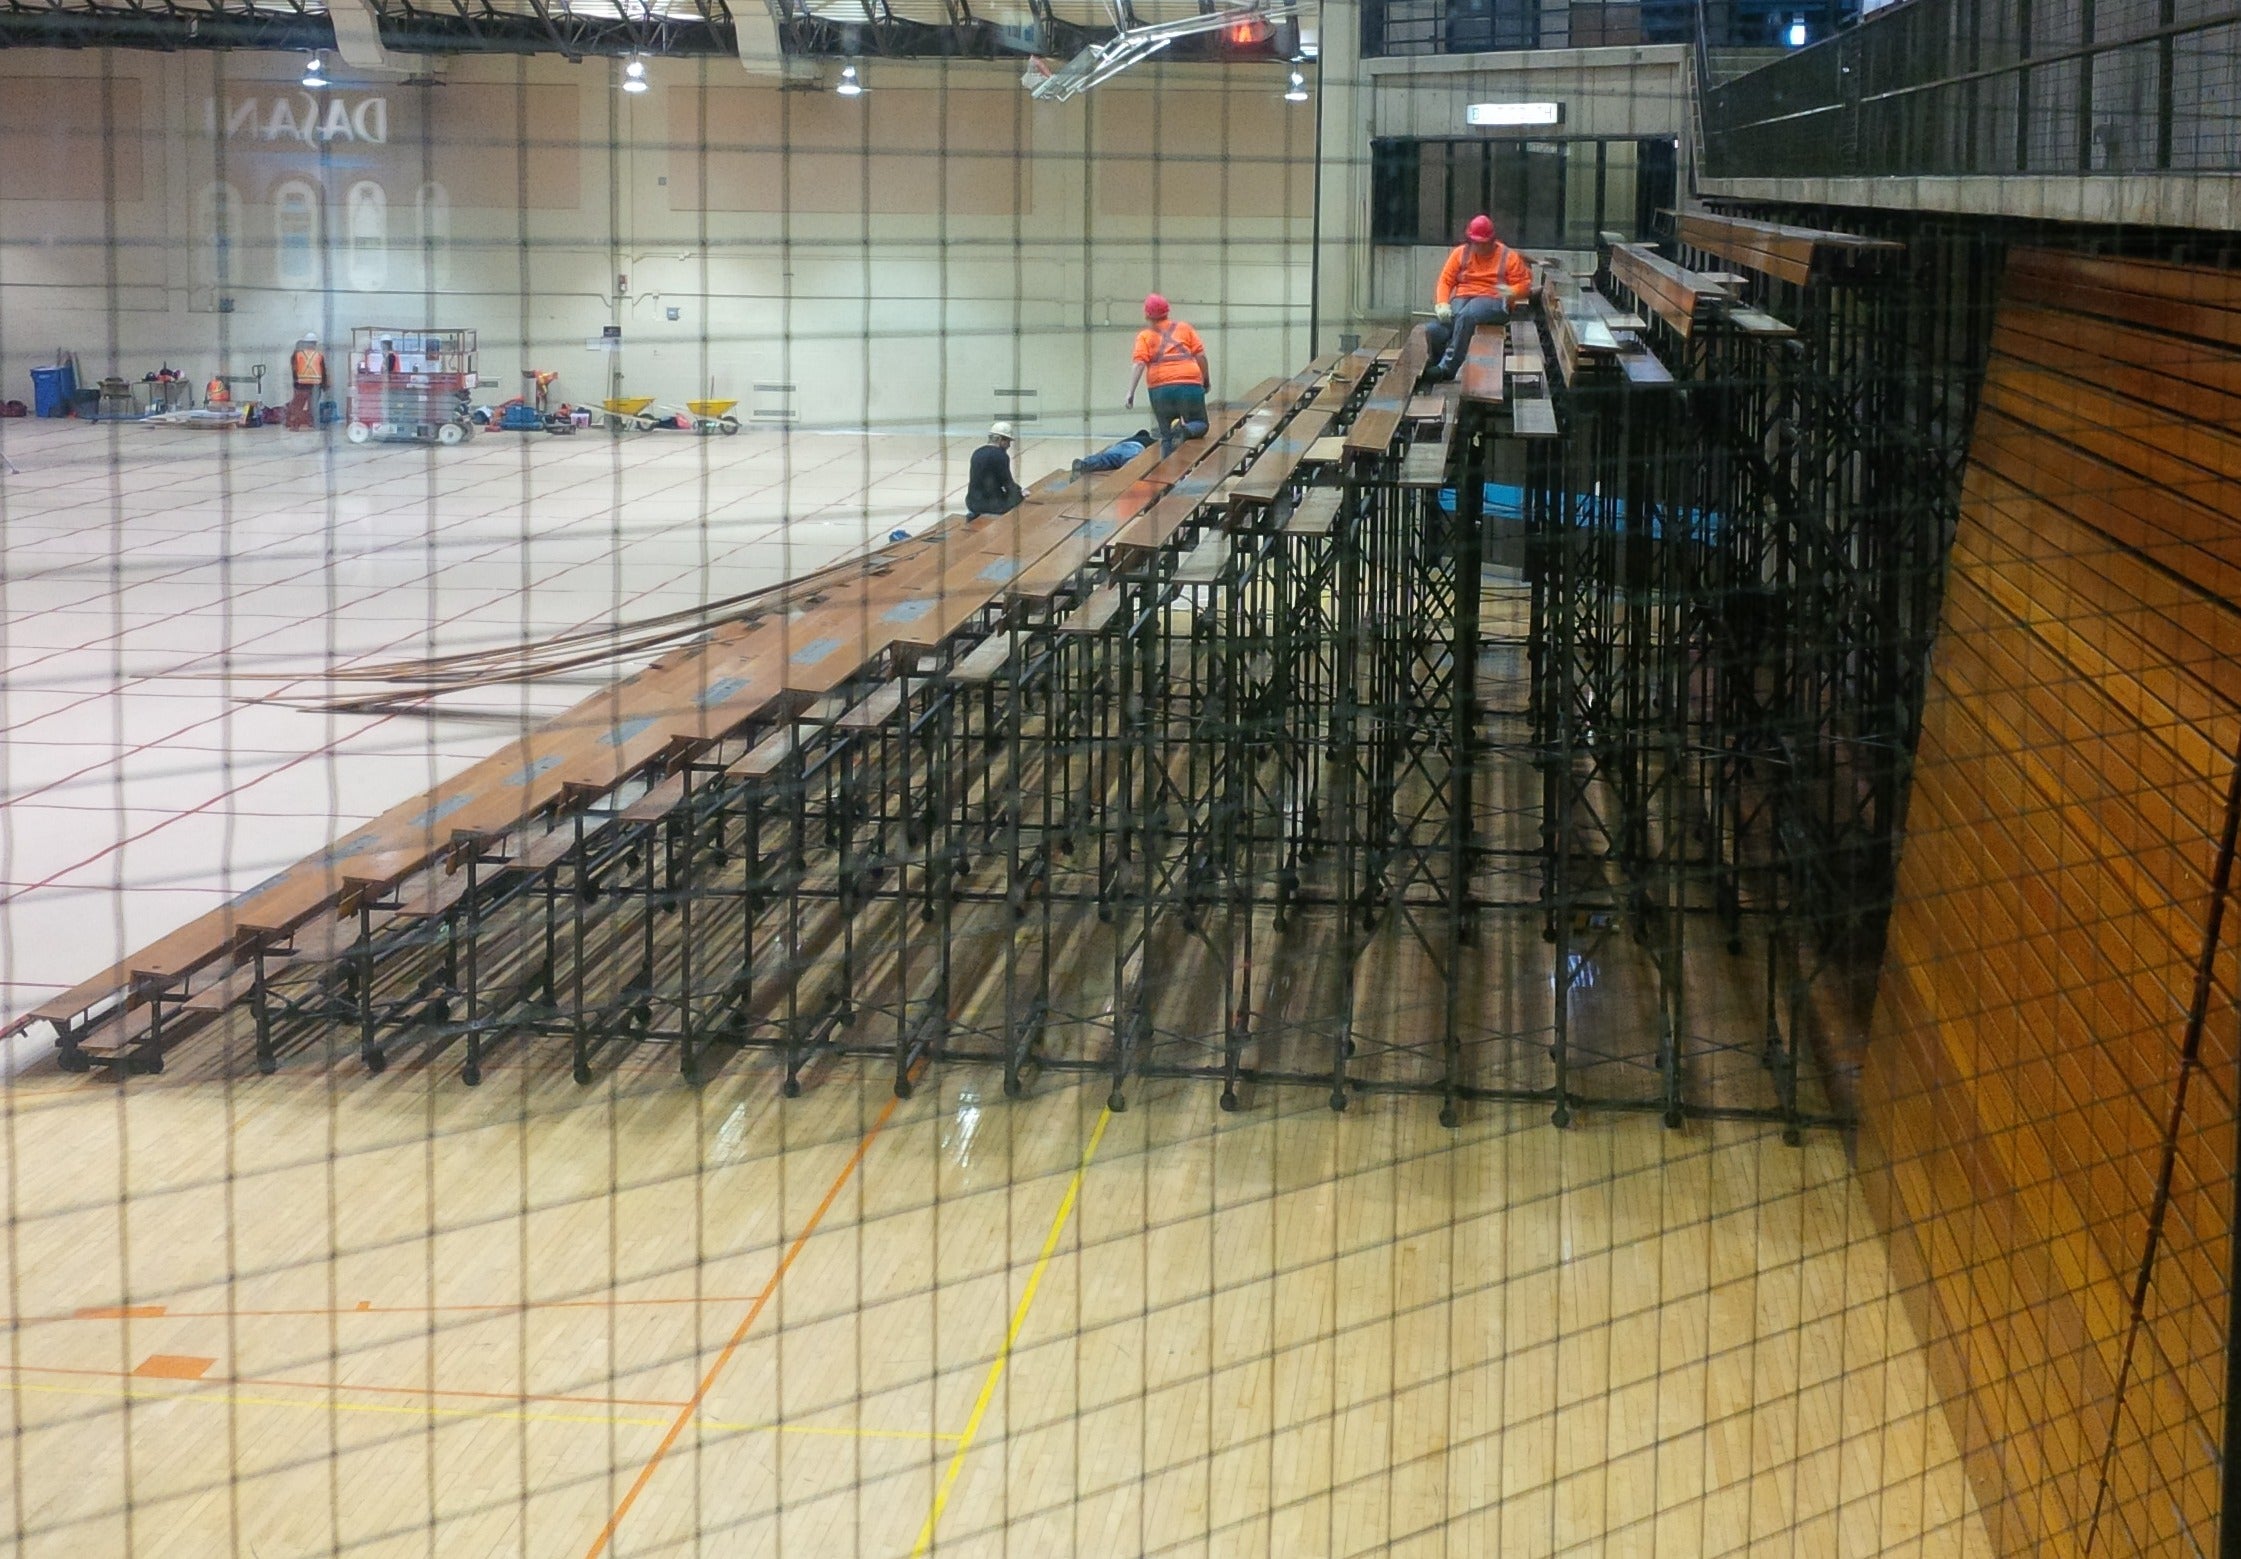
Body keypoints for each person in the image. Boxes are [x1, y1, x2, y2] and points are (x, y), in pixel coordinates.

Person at [1423, 215, 1533, 383]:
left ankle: (1446, 368)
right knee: (1434, 330)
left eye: (1483, 243)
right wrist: (1442, 303)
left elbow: (1525, 284)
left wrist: (1512, 291)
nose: (1479, 246)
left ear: (1492, 240)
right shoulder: (1460, 253)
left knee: (1468, 315)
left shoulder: (1508, 256)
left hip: (1495, 301)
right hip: (1462, 299)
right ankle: (1434, 365)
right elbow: (1445, 280)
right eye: (1475, 242)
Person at [1126, 295, 1210, 456]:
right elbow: (1201, 356)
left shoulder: (1144, 336)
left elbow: (1139, 364)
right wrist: (1205, 381)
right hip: (1189, 384)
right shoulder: (1185, 328)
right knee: (1200, 424)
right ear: (1167, 311)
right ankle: (1185, 431)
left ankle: (1166, 477)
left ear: (1147, 315)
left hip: (1160, 389)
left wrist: (1131, 392)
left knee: (1166, 436)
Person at [966, 420, 1026, 519]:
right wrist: (1020, 493)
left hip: (971, 502)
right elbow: (1007, 483)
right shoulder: (1001, 455)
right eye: (1008, 441)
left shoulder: (977, 452)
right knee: (1018, 499)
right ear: (1000, 439)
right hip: (992, 506)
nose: (1009, 445)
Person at [1072, 429, 1157, 476]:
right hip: (1135, 448)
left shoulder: (1130, 438)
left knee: (1105, 459)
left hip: (1117, 447)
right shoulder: (1150, 440)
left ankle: (1084, 464)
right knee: (1132, 467)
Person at [286, 332, 326, 430]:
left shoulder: (298, 355)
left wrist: (295, 383)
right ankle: (316, 425)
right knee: (314, 406)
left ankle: (295, 426)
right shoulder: (319, 355)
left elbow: (294, 370)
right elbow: (323, 371)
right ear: (315, 344)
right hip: (315, 384)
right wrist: (324, 385)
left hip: (301, 384)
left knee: (298, 406)